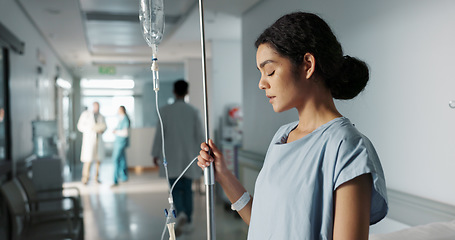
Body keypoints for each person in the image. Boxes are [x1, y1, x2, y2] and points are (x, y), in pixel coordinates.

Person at [197, 12, 388, 239]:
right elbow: (263, 223)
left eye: (270, 71)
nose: (261, 83)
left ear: (307, 65)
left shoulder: (347, 147)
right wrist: (224, 175)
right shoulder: (282, 136)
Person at [152, 79, 204, 236]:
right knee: (187, 189)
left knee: (174, 188)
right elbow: (200, 135)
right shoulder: (193, 111)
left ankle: (180, 212)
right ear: (186, 92)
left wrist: (155, 153)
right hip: (189, 157)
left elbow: (159, 135)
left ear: (174, 92)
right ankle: (187, 220)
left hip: (171, 157)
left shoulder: (165, 111)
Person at [77, 102, 106, 185]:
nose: (97, 108)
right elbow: (80, 126)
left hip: (98, 140)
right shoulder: (86, 115)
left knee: (98, 160)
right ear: (93, 106)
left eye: (98, 106)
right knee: (88, 160)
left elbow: (104, 126)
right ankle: (85, 178)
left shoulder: (101, 116)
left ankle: (96, 178)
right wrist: (91, 128)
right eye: (96, 106)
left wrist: (101, 130)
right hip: (89, 140)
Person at [111, 106, 130, 187]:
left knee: (115, 160)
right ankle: (124, 177)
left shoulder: (125, 119)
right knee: (122, 160)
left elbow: (125, 133)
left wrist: (116, 131)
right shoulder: (121, 119)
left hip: (121, 142)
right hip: (119, 142)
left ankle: (115, 180)